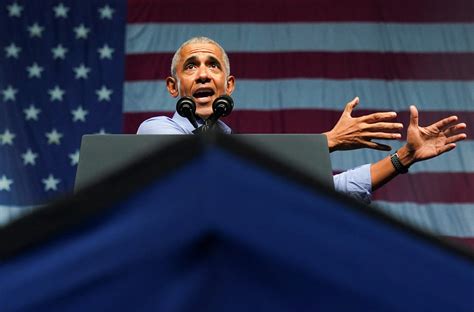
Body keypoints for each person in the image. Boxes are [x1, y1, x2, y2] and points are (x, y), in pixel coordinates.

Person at [137, 37, 467, 203]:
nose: (204, 74)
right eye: (191, 66)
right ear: (173, 86)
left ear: (229, 84)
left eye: (213, 65)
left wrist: (402, 158)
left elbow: (331, 187)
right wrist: (328, 142)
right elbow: (198, 167)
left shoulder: (237, 150)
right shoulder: (155, 129)